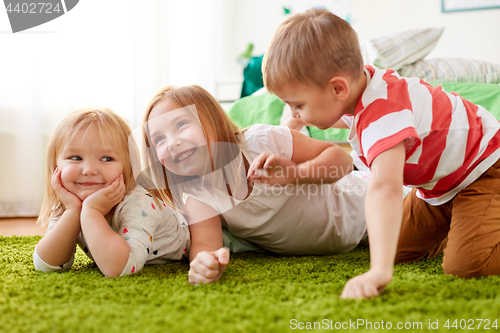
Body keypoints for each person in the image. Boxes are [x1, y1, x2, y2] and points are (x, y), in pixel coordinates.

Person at [261, 8, 500, 299]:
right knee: (392, 246)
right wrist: (292, 125)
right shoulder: (359, 88)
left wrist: (379, 272)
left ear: (338, 88)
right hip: (441, 185)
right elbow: (332, 115)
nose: (294, 112)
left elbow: (385, 188)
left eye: (298, 105)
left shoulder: (384, 114)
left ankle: (480, 219)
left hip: (485, 168)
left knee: (467, 265)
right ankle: (468, 220)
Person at [141, 85, 371, 285]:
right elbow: (205, 243)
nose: (172, 143)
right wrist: (203, 262)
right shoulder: (198, 196)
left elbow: (342, 161)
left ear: (215, 119)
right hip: (341, 242)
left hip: (366, 207)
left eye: (181, 124)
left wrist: (296, 173)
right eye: (159, 139)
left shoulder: (261, 140)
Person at [34, 108, 190, 277]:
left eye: (106, 159)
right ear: (56, 166)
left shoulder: (138, 203)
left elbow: (120, 268)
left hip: (194, 234)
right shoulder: (70, 201)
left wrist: (92, 212)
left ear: (128, 166)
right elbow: (47, 264)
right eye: (76, 158)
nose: (89, 170)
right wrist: (73, 211)